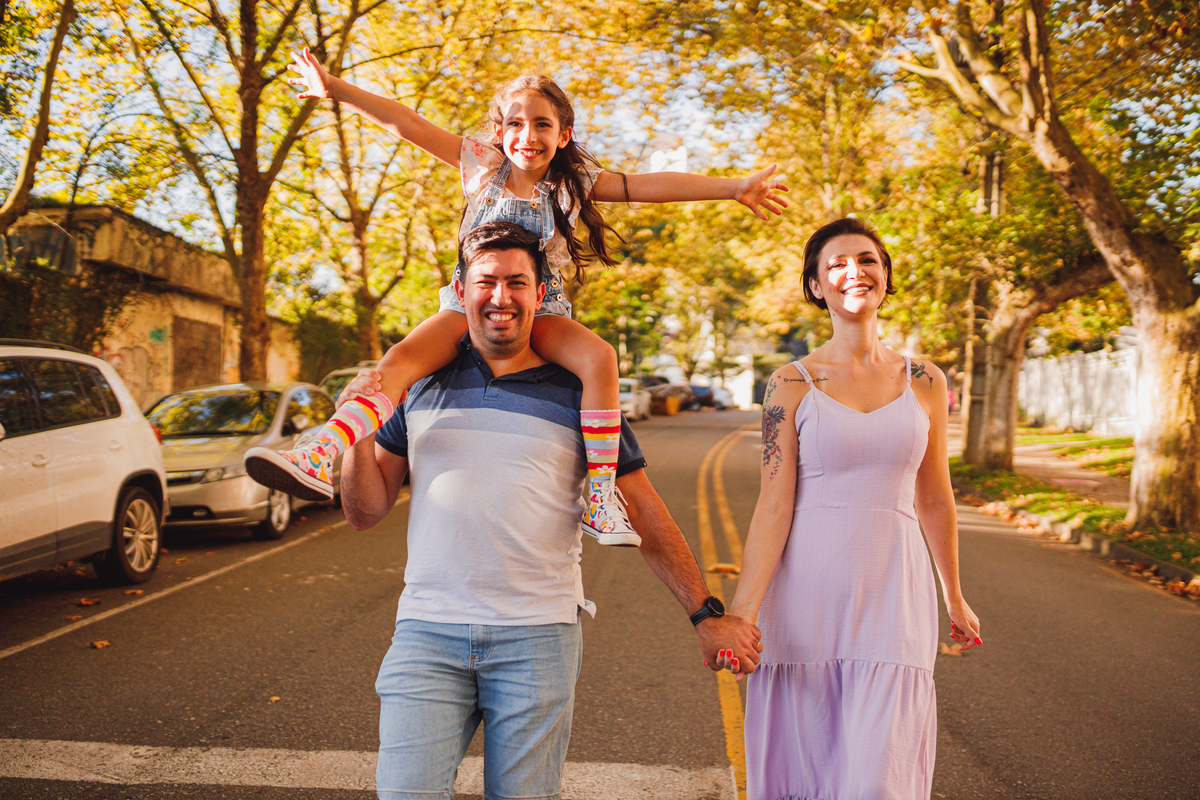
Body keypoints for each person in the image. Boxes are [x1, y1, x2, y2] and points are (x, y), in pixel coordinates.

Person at [245, 50, 789, 548]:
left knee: (599, 357)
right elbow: (406, 122)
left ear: (565, 134)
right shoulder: (480, 164)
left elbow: (651, 184)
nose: (527, 135)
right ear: (499, 132)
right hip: (467, 304)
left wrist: (735, 186)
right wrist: (335, 87)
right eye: (515, 124)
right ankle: (322, 451)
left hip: (541, 308)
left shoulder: (576, 184)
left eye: (542, 125)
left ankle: (600, 495)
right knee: (396, 364)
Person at [338, 221, 762, 800]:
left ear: (541, 295)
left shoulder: (580, 390)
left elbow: (638, 506)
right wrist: (358, 436)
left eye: (518, 282)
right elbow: (364, 512)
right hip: (426, 635)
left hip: (536, 639)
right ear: (460, 292)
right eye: (486, 281)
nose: (501, 297)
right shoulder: (418, 385)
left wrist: (705, 612)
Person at [716, 217, 982, 799]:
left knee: (880, 774)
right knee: (805, 763)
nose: (853, 272)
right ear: (815, 285)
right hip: (806, 597)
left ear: (885, 275)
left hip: (895, 595)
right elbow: (772, 506)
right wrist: (742, 615)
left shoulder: (925, 380)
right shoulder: (790, 383)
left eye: (867, 259)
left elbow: (934, 496)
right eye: (835, 264)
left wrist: (954, 594)